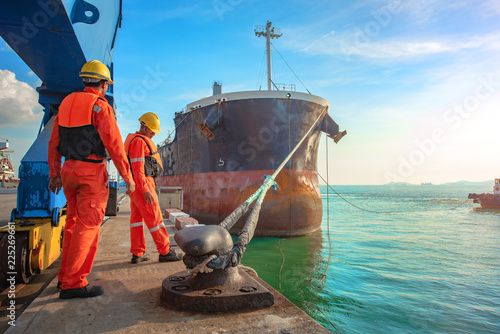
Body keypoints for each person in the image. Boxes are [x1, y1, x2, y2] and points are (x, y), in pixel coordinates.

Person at [48, 60, 135, 299]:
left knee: (73, 224)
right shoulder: (100, 107)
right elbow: (115, 146)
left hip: (68, 171)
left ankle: (64, 277)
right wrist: (128, 177)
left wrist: (54, 174)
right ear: (103, 84)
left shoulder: (65, 103)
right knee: (88, 227)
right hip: (91, 173)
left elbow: (54, 142)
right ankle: (74, 283)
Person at [124, 112, 182, 264]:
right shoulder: (139, 142)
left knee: (136, 220)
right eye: (151, 131)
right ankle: (165, 251)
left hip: (135, 186)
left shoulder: (132, 140)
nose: (153, 135)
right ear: (143, 127)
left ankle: (137, 253)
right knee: (155, 219)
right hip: (143, 185)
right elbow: (138, 168)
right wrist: (146, 190)